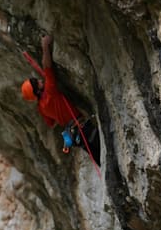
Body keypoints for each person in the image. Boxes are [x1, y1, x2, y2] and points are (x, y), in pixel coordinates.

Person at [21, 35, 101, 165]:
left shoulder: (41, 108)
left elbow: (51, 123)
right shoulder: (50, 91)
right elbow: (47, 66)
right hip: (83, 128)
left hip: (76, 135)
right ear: (38, 91)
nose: (40, 81)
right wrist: (45, 46)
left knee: (100, 159)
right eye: (38, 82)